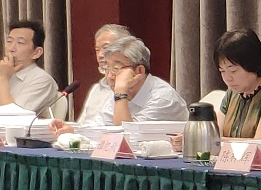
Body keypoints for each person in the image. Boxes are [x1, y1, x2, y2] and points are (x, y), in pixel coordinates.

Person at [49, 36, 186, 135]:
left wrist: (120, 92)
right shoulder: (122, 94)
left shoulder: (163, 98)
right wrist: (74, 131)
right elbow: (100, 127)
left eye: (116, 68)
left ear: (139, 71)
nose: (109, 76)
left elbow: (125, 137)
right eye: (106, 68)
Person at [0, 19, 59, 111]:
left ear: (37, 52)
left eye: (20, 43)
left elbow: (13, 116)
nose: (11, 48)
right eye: (9, 41)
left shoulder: (42, 80)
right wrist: (2, 78)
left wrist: (3, 79)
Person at [78, 24, 131, 124]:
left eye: (106, 48)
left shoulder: (131, 88)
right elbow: (82, 123)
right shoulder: (96, 88)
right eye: (97, 50)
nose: (100, 55)